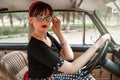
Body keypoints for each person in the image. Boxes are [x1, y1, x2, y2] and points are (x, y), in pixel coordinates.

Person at [27, 1, 111, 80]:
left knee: (84, 75)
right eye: (39, 17)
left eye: (48, 17)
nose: (44, 20)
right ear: (31, 20)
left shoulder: (48, 37)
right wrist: (98, 43)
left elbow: (69, 56)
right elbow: (72, 68)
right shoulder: (36, 46)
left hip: (50, 77)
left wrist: (58, 32)